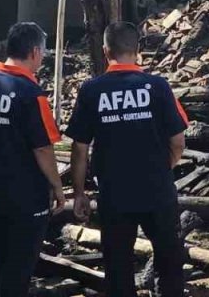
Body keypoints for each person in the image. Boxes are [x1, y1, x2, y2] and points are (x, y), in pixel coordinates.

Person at [66, 22, 188, 297]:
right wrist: (162, 168)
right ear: (137, 50)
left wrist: (79, 193)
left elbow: (79, 147)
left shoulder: (92, 90)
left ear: (105, 50)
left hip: (114, 194)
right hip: (157, 190)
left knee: (118, 266)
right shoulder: (158, 86)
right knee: (169, 261)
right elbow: (178, 141)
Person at [0, 22, 65, 297]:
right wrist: (57, 186)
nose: (43, 59)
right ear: (33, 52)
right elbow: (43, 149)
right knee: (18, 268)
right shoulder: (31, 95)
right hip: (27, 196)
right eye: (43, 53)